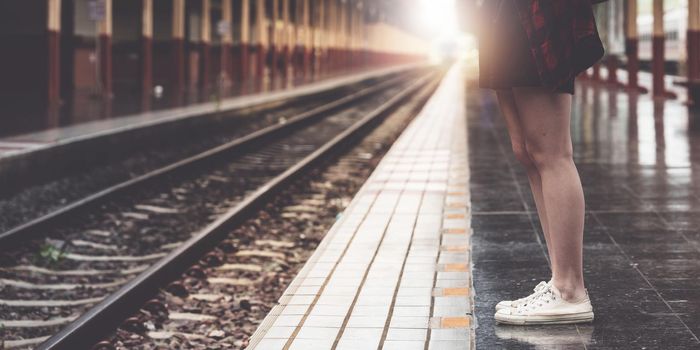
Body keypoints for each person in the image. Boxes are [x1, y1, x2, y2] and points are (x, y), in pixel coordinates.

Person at [478, 0, 605, 325]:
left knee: (552, 153)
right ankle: (558, 279)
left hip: (538, 14)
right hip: (502, 14)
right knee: (527, 150)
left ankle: (570, 290)